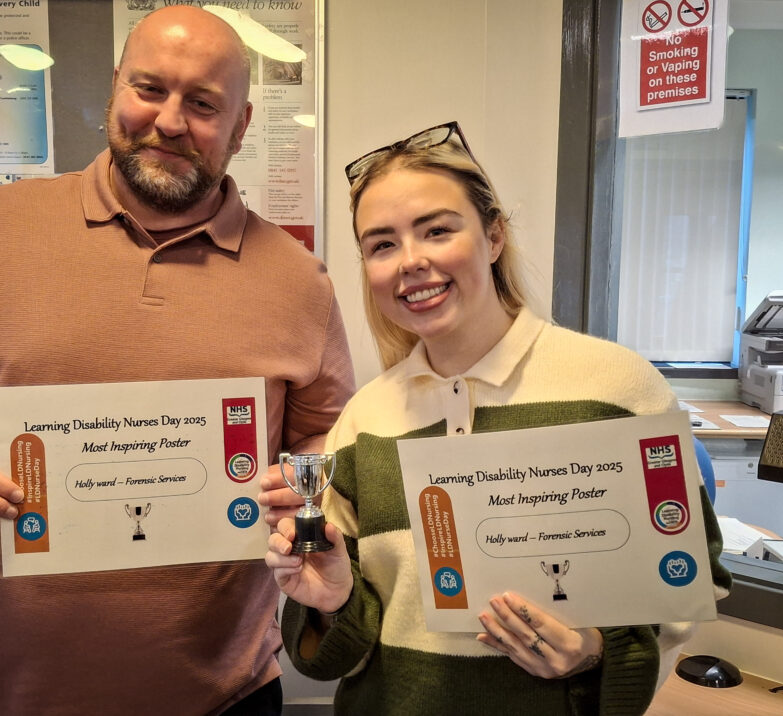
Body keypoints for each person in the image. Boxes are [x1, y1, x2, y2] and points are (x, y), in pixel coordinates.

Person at [0, 6, 354, 716]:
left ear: (240, 128)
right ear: (116, 87)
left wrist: (298, 496)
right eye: (150, 88)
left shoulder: (299, 281)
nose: (171, 121)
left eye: (204, 104)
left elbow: (326, 433)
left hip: (220, 697)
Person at [261, 121, 731, 714]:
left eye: (436, 230)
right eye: (382, 244)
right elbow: (346, 656)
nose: (411, 262)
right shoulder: (365, 420)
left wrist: (592, 651)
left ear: (494, 235)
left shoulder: (617, 387)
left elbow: (691, 580)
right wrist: (332, 602)